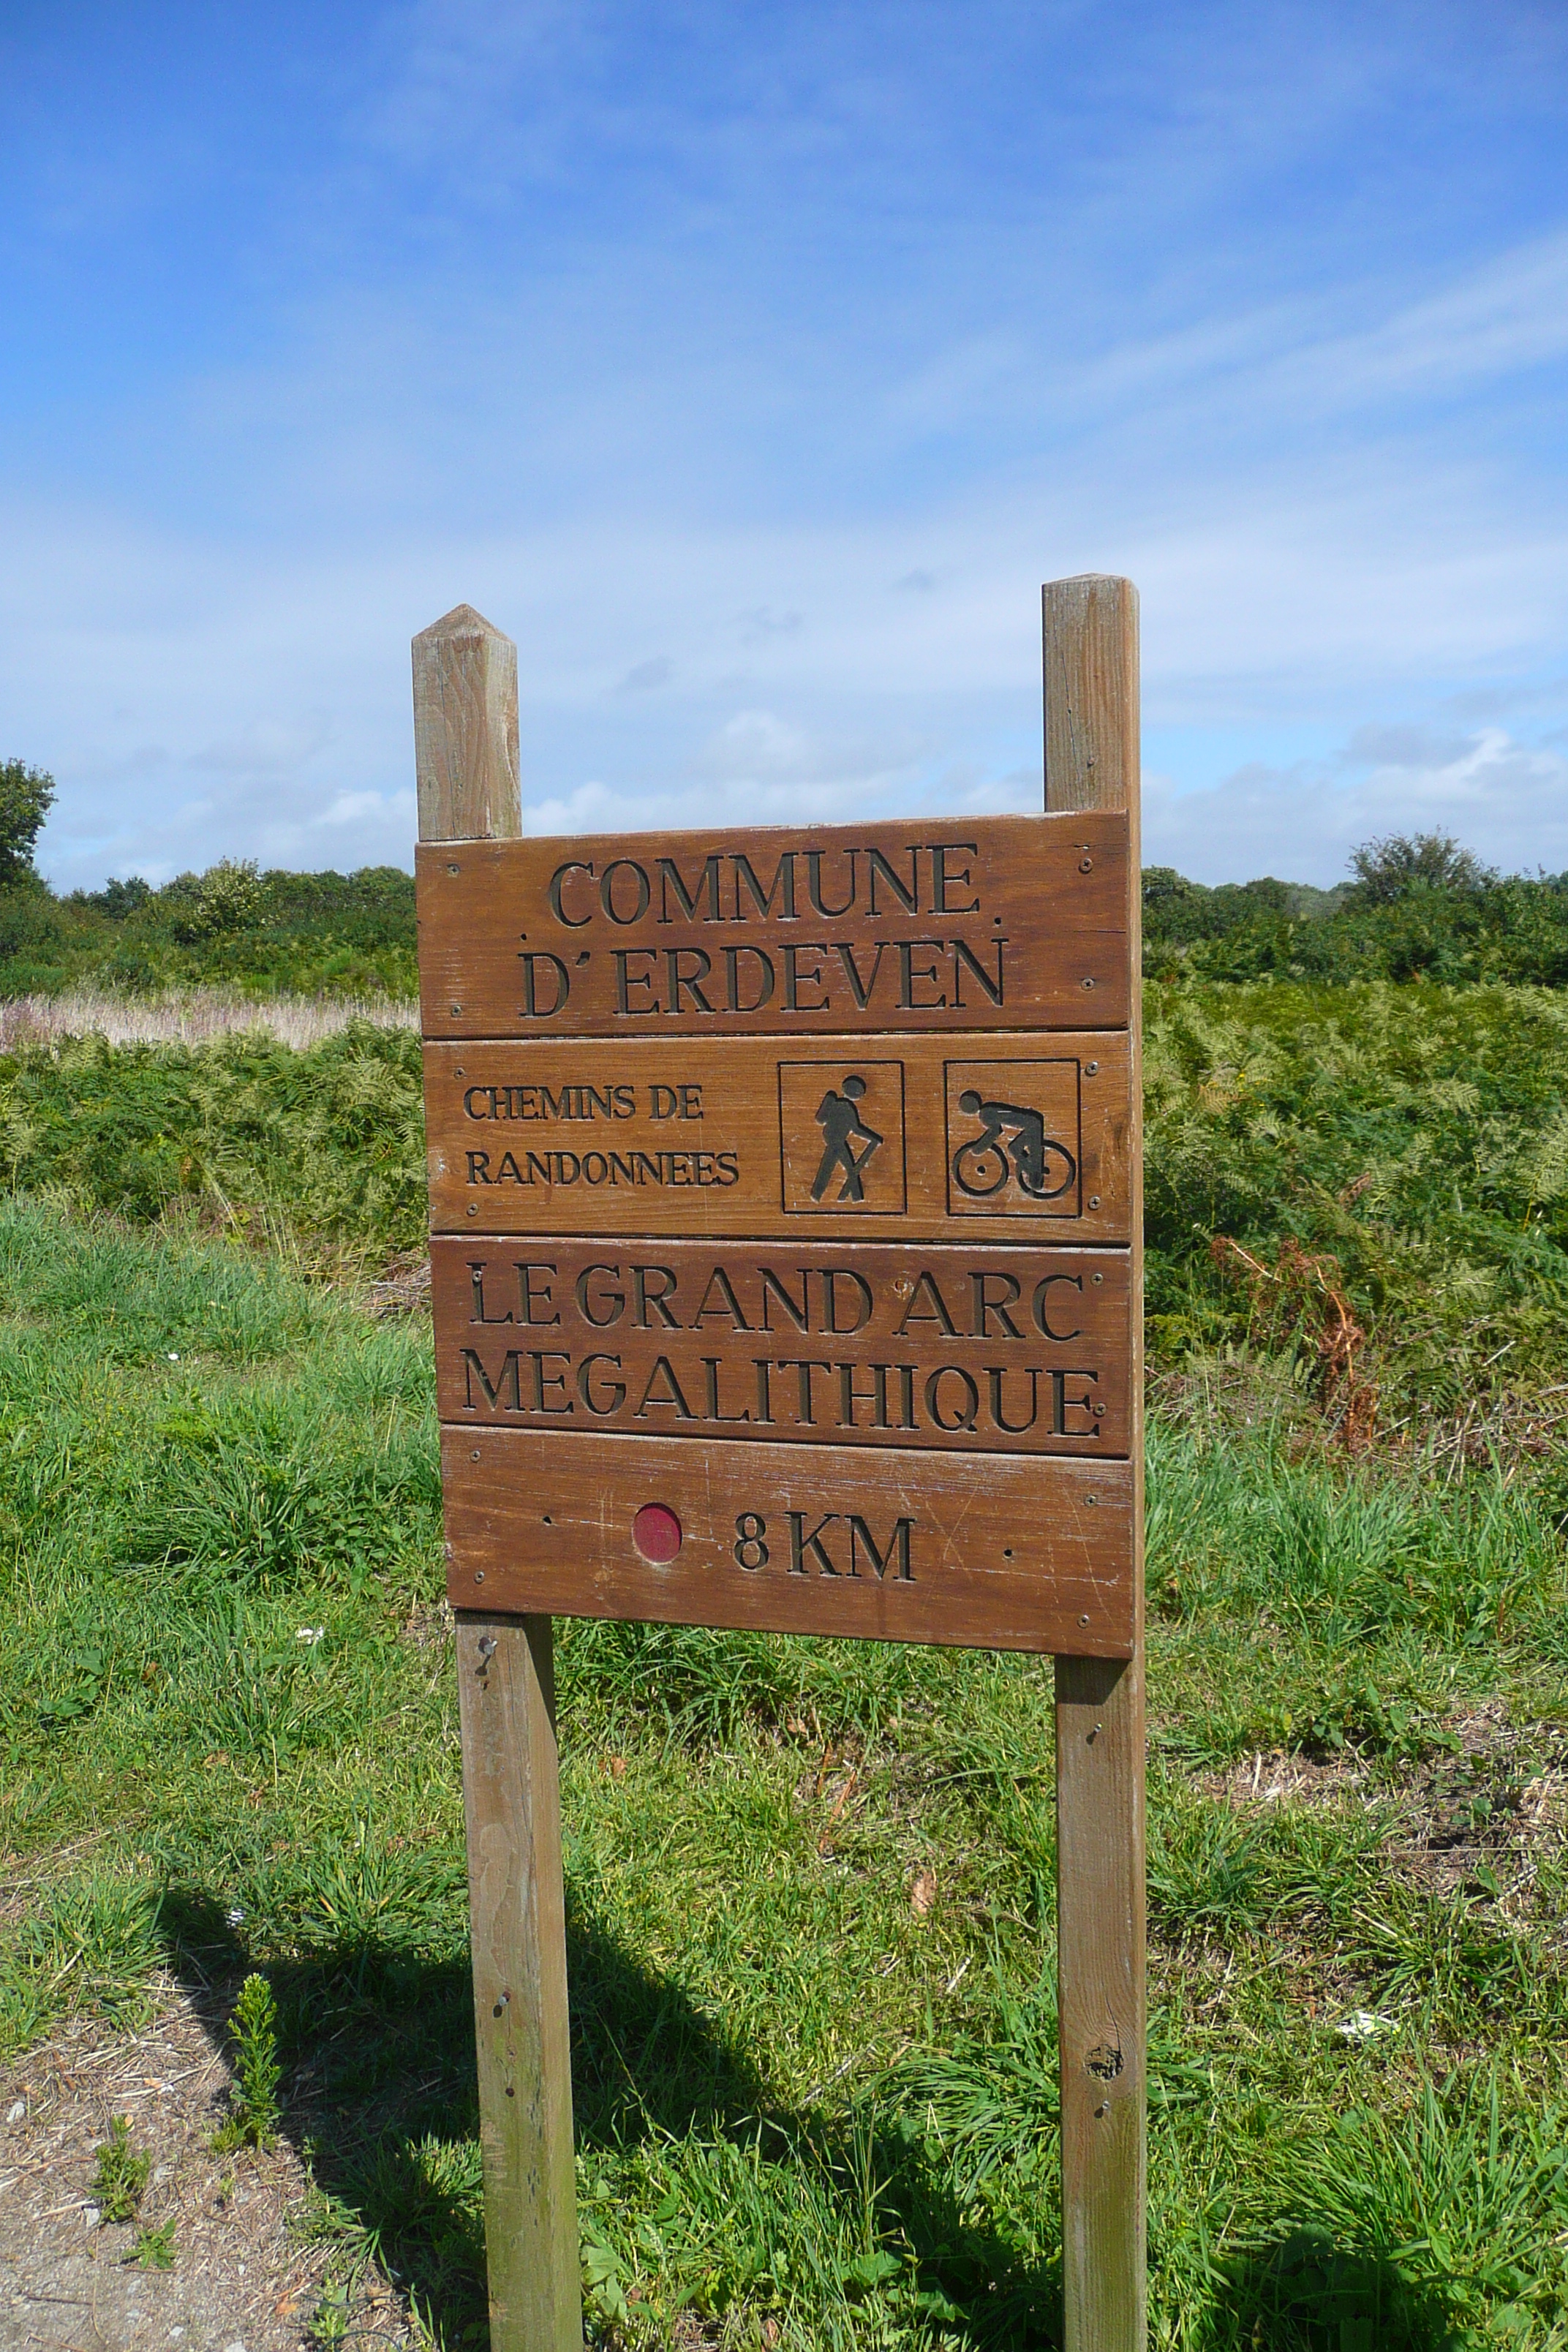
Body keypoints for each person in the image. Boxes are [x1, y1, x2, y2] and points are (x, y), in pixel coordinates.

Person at [811, 1074, 883, 1202]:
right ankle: (854, 1197)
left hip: (832, 1140)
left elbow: (822, 1120)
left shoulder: (836, 1105)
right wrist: (872, 1138)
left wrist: (872, 1138)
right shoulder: (847, 1108)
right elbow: (856, 1129)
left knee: (831, 1167)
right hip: (837, 1142)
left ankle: (820, 1195)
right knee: (849, 1169)